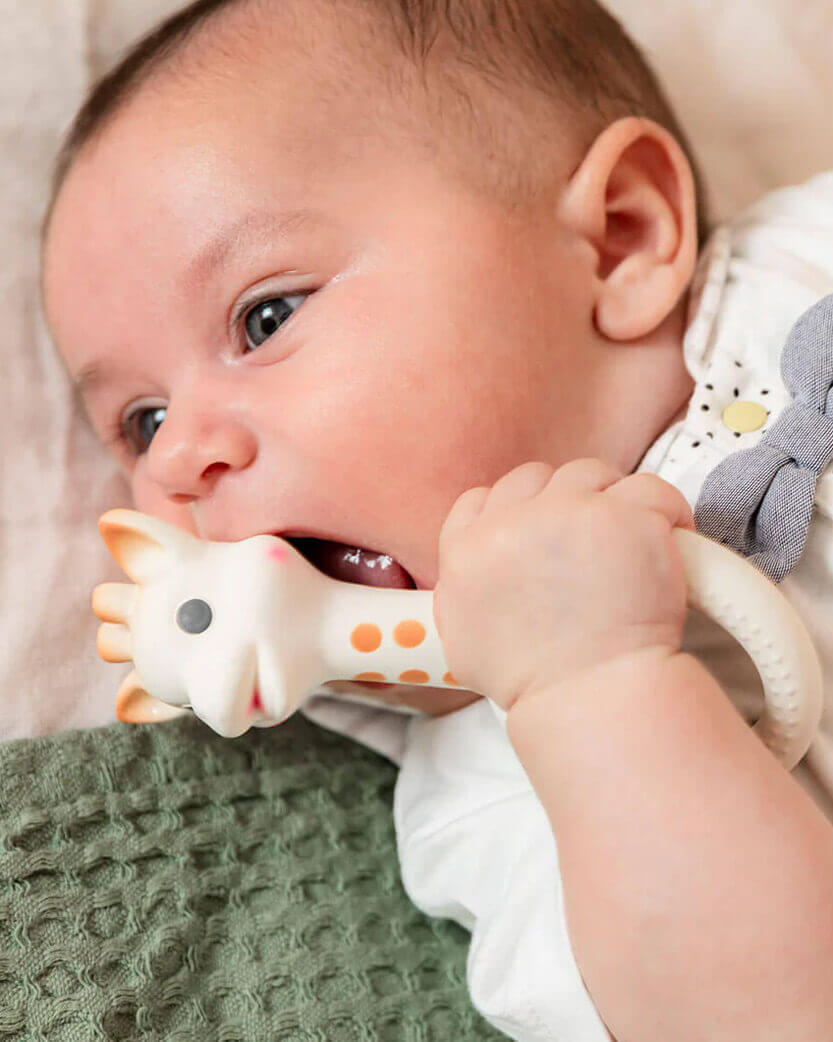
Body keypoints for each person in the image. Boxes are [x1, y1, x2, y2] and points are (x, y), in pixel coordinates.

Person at [40, 0, 833, 1038]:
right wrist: (590, 686)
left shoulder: (803, 261)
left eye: (263, 316)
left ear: (617, 241)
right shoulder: (497, 787)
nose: (182, 457)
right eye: (140, 423)